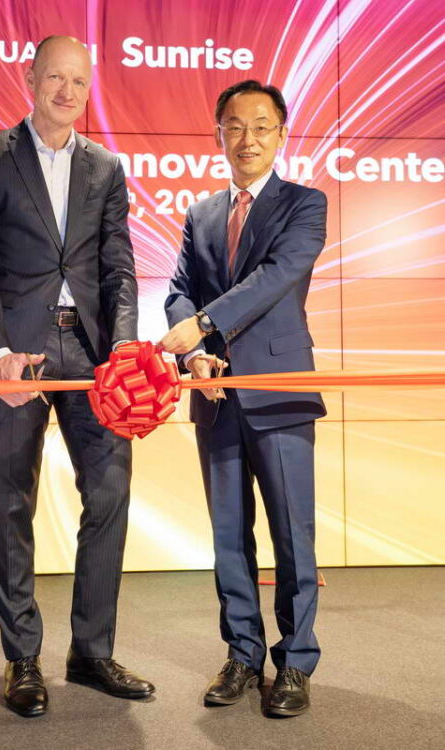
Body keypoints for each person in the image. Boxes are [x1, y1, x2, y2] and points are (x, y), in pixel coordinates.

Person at [0, 35, 154, 718]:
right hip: (19, 354)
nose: (67, 91)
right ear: (30, 79)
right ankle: (22, 658)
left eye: (78, 81)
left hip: (93, 356)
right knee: (14, 500)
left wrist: (122, 349)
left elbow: (119, 266)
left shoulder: (106, 166)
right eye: (55, 78)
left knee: (111, 489)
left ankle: (91, 652)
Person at [162, 80, 327, 717]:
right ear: (218, 135)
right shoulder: (202, 213)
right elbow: (179, 288)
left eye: (261, 126)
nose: (247, 139)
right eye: (235, 126)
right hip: (215, 393)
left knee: (292, 535)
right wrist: (193, 352)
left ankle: (296, 662)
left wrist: (204, 324)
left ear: (281, 134)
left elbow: (275, 277)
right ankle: (241, 654)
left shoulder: (305, 204)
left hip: (279, 391)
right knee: (229, 537)